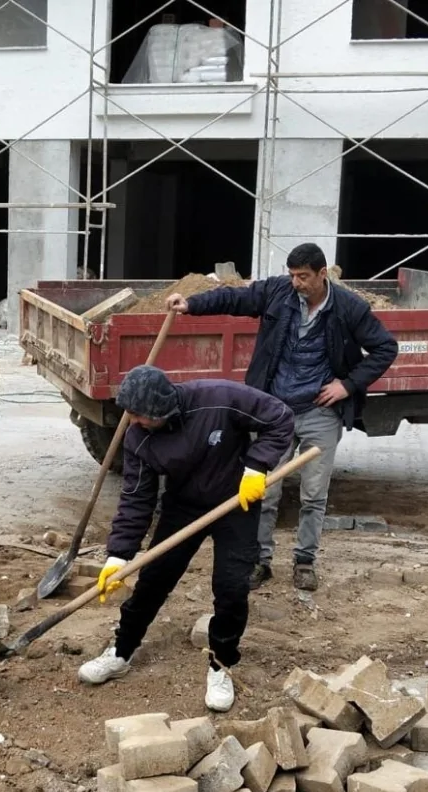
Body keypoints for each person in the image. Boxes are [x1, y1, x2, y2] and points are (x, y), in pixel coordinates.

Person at [168, 243, 398, 591]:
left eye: (303, 276)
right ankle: (260, 561)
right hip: (274, 413)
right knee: (264, 490)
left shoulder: (349, 308)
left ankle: (304, 562)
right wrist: (191, 304)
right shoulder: (277, 292)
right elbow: (233, 300)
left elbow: (385, 347)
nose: (296, 283)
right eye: (292, 275)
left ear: (323, 274)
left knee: (314, 493)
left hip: (321, 412)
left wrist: (348, 385)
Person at [78, 365, 294, 712]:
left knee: (231, 588)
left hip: (235, 502)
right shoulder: (138, 439)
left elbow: (280, 417)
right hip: (183, 507)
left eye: (140, 416)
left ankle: (221, 664)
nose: (133, 422)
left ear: (163, 410)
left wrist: (257, 466)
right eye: (129, 414)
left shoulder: (218, 398)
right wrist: (118, 556)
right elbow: (136, 498)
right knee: (153, 581)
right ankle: (121, 651)